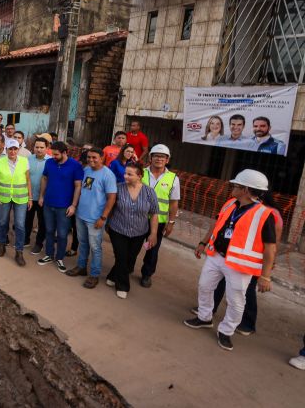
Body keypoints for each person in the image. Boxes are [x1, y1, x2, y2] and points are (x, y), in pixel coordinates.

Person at [184, 170, 277, 352]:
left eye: (236, 186)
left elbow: (270, 248)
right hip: (216, 256)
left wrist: (265, 277)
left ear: (246, 190)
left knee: (236, 301)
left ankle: (226, 331)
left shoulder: (265, 215)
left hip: (240, 266)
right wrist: (203, 242)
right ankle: (204, 317)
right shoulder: (229, 204)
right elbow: (216, 224)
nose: (232, 188)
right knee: (204, 286)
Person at [106, 162, 159, 298]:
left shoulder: (149, 192)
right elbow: (110, 206)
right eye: (125, 173)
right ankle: (123, 286)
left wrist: (153, 234)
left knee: (130, 258)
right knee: (121, 256)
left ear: (139, 176)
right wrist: (105, 221)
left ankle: (112, 275)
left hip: (139, 232)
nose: (125, 176)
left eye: (130, 174)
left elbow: (154, 213)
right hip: (118, 228)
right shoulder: (118, 188)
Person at [66, 148, 117, 289]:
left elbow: (111, 198)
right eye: (89, 157)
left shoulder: (108, 175)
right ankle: (81, 267)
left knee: (95, 247)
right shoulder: (87, 170)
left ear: (102, 158)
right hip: (81, 215)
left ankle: (94, 275)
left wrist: (103, 217)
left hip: (95, 218)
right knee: (82, 243)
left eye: (94, 157)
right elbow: (84, 190)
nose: (91, 160)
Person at [137, 144, 180, 288]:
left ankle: (146, 274)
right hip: (138, 218)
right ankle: (127, 267)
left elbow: (173, 203)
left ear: (167, 160)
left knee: (152, 250)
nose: (159, 159)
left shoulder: (173, 178)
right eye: (156, 156)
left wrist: (171, 222)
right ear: (150, 158)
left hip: (159, 221)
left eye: (162, 157)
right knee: (133, 246)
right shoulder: (141, 173)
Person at [37, 141, 84, 273]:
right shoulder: (50, 162)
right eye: (52, 154)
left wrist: (73, 205)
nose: (54, 157)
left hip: (64, 206)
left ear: (64, 153)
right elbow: (44, 179)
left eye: (56, 154)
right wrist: (41, 196)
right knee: (49, 230)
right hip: (48, 203)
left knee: (63, 234)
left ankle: (59, 258)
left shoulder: (75, 165)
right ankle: (49, 254)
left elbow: (78, 186)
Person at [0, 139, 32, 266]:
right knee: (2, 222)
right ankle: (2, 244)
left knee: (20, 225)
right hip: (4, 197)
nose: (13, 151)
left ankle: (19, 252)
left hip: (21, 198)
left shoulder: (25, 162)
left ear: (18, 149)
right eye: (10, 149)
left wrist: (30, 198)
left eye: (15, 149)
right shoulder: (0, 162)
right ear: (6, 150)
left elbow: (28, 181)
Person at [26, 135, 51, 254]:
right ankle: (25, 240)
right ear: (33, 147)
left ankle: (38, 244)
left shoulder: (51, 161)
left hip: (43, 198)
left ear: (47, 148)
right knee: (27, 220)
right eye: (37, 147)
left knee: (42, 223)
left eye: (42, 147)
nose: (39, 150)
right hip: (29, 196)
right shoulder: (28, 159)